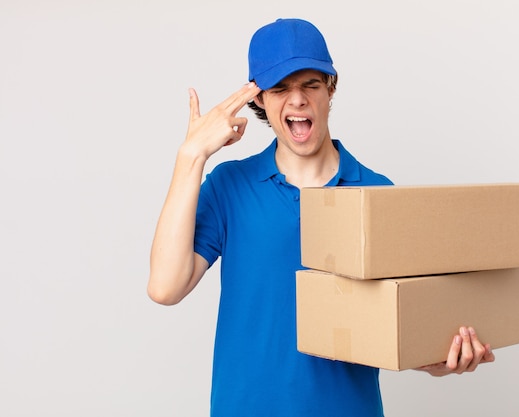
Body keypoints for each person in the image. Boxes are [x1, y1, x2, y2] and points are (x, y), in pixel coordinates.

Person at [148, 18, 495, 417]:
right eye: (280, 88)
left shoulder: (378, 193)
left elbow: (397, 323)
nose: (296, 100)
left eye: (310, 84)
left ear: (330, 89)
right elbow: (165, 287)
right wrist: (190, 157)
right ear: (258, 99)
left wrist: (437, 358)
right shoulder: (230, 186)